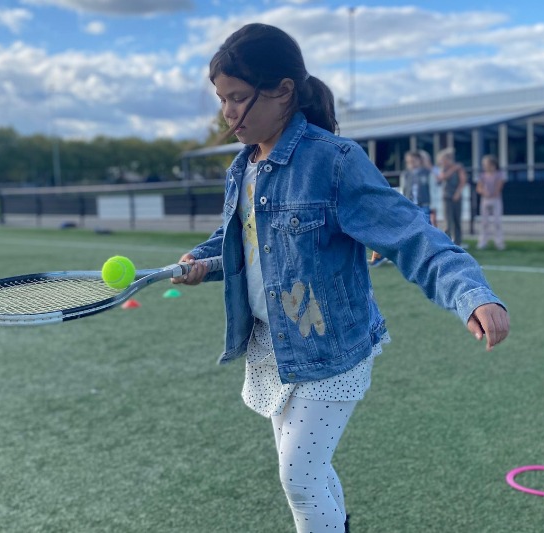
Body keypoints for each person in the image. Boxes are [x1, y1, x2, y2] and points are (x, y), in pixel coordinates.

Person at [172, 23, 509, 533]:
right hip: (273, 346)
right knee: (308, 472)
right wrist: (201, 260)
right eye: (222, 100)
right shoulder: (242, 168)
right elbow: (239, 240)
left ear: (283, 90)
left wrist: (472, 294)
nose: (227, 113)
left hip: (332, 348)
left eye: (238, 98)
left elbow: (411, 233)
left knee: (299, 476)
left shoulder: (334, 161)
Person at [435, 148, 467, 246]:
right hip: (446, 197)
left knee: (457, 220)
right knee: (448, 221)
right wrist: (453, 168)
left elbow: (463, 181)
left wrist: (458, 193)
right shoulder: (444, 169)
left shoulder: (459, 168)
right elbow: (442, 178)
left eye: (443, 159)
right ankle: (447, 241)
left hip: (456, 196)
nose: (441, 162)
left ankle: (458, 242)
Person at [477, 154, 506, 250]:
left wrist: (492, 193)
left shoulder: (499, 174)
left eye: (486, 164)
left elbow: (499, 187)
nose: (484, 166)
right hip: (485, 200)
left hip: (495, 200)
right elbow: (479, 188)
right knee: (484, 222)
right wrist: (484, 192)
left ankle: (499, 243)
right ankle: (482, 242)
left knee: (497, 222)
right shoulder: (482, 175)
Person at [399, 150, 432, 223]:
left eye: (413, 161)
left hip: (424, 204)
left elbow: (432, 190)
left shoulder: (426, 173)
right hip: (411, 205)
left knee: (426, 223)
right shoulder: (405, 174)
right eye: (408, 162)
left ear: (419, 160)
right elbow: (403, 190)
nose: (411, 163)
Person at [418, 149, 439, 226]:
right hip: (423, 200)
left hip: (434, 198)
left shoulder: (433, 170)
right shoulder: (418, 172)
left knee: (432, 220)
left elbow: (438, 179)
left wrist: (428, 167)